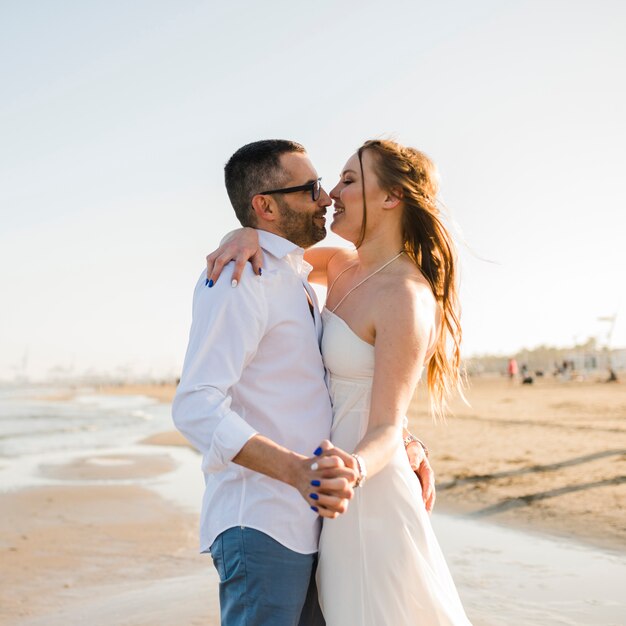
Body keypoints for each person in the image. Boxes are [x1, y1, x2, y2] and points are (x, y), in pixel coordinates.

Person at [209, 139, 471, 625]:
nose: (331, 193)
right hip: (323, 494)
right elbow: (278, 247)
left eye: (349, 181)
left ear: (391, 197)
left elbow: (388, 425)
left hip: (363, 489)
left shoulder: (407, 295)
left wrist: (353, 468)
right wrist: (243, 231)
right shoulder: (340, 264)